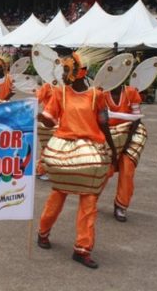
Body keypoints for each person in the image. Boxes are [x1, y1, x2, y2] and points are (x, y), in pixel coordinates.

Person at [37, 49, 116, 269]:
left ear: (81, 71)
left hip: (90, 153)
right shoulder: (59, 94)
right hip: (64, 152)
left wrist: (113, 153)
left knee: (89, 201)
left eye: (66, 69)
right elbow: (51, 121)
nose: (62, 73)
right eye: (62, 69)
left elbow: (103, 124)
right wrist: (40, 116)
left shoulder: (97, 96)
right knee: (57, 195)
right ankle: (43, 232)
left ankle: (82, 249)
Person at [104, 85, 147, 221]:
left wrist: (126, 141)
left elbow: (137, 117)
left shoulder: (131, 92)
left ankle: (120, 206)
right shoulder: (101, 93)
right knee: (104, 168)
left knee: (127, 169)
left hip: (130, 132)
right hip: (108, 134)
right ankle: (91, 198)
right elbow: (101, 120)